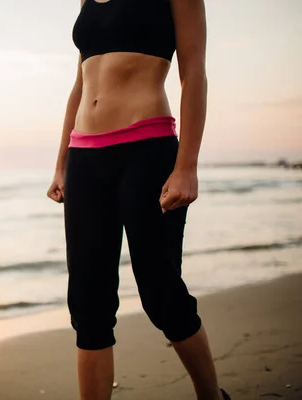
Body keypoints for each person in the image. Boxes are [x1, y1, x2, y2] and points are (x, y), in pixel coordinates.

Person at [46, 0, 231, 399]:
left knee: (162, 293)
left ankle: (211, 396)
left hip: (146, 149)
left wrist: (187, 166)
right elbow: (81, 84)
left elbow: (194, 73)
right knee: (87, 302)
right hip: (85, 157)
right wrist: (62, 162)